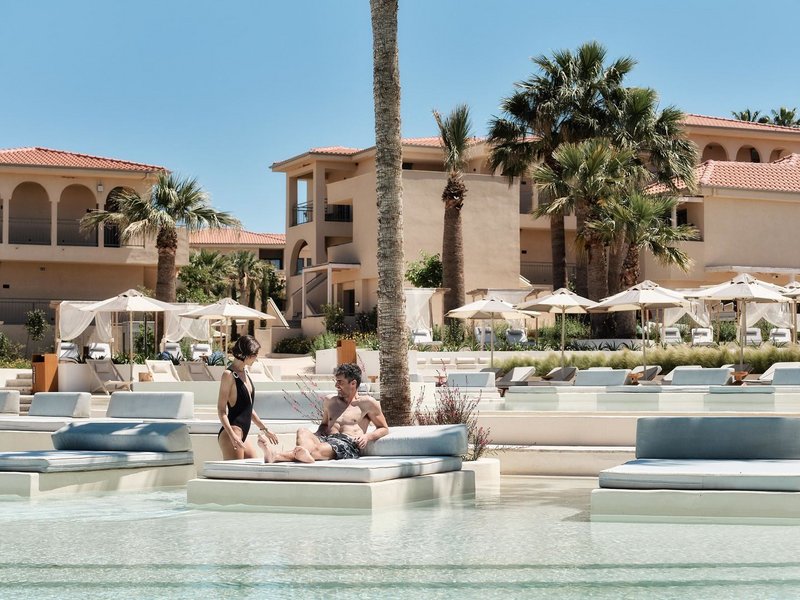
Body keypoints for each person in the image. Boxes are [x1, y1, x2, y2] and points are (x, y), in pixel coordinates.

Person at [258, 363, 388, 463]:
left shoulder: (367, 403)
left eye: (340, 382)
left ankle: (277, 455)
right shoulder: (330, 401)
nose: (336, 386)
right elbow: (324, 425)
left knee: (316, 449)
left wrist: (367, 437)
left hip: (346, 443)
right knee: (303, 431)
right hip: (326, 438)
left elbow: (384, 428)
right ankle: (303, 454)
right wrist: (316, 434)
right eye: (336, 381)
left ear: (353, 383)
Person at [217, 335, 278, 459]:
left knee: (253, 467)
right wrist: (232, 435)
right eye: (255, 355)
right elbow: (221, 410)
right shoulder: (228, 375)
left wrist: (265, 429)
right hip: (232, 432)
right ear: (246, 354)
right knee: (235, 471)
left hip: (242, 434)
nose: (256, 358)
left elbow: (248, 408)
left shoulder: (245, 372)